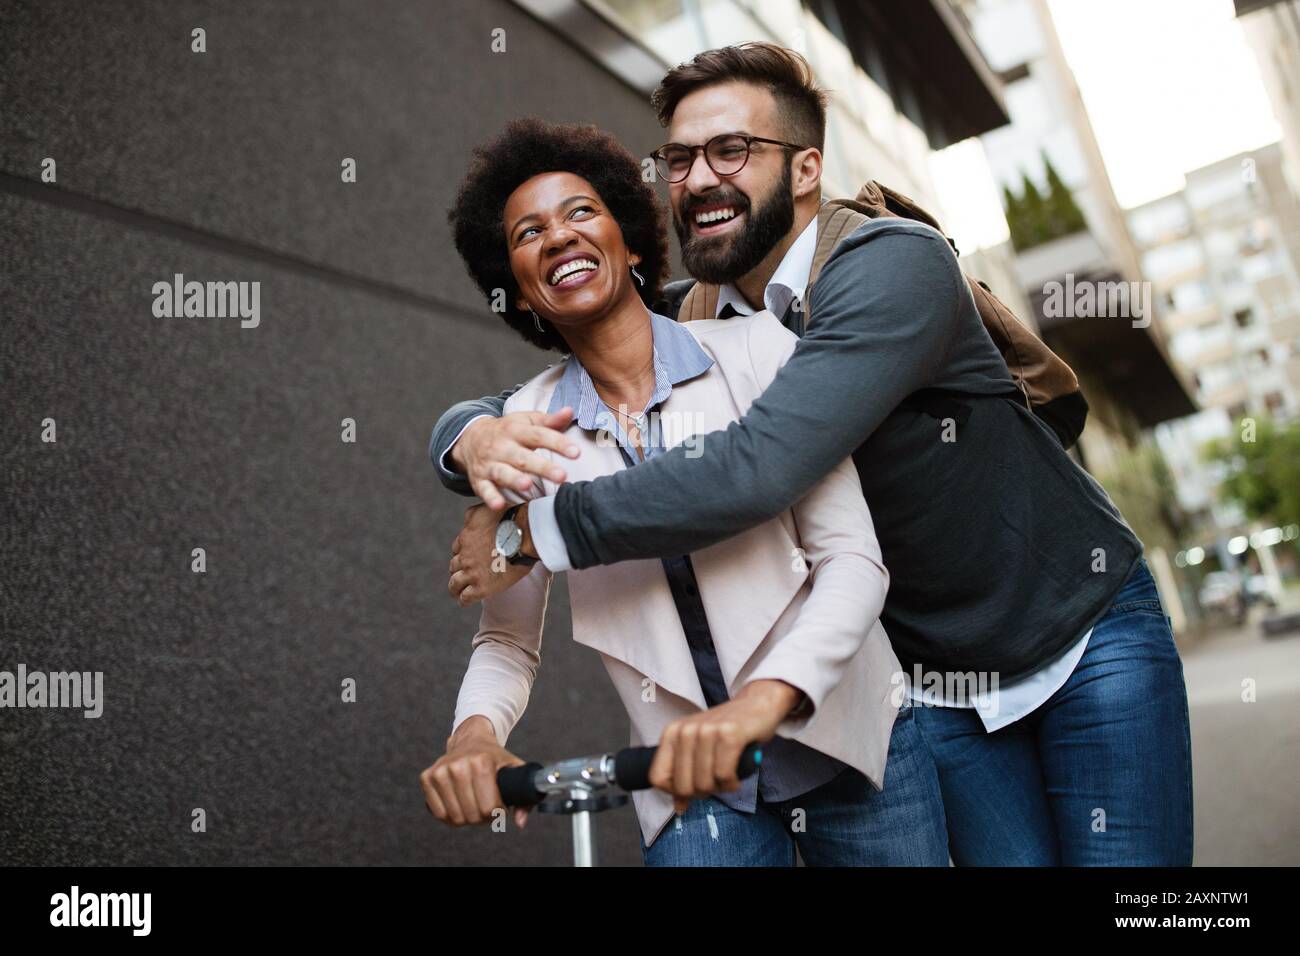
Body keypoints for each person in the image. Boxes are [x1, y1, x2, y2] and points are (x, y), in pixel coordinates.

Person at [432, 44, 1194, 866]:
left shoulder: (891, 263)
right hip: (933, 681)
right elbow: (590, 327)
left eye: (732, 150)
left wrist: (531, 530)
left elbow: (758, 466)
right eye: (679, 159)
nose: (696, 179)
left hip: (1076, 630)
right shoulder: (705, 318)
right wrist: (465, 438)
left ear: (805, 170)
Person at [418, 117, 949, 866]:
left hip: (854, 740)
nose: (558, 238)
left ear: (631, 241)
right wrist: (473, 736)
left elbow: (852, 560)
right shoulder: (522, 431)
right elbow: (507, 638)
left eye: (579, 213)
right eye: (527, 234)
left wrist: (764, 704)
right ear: (518, 291)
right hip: (682, 781)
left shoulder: (761, 347)